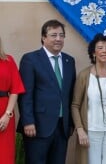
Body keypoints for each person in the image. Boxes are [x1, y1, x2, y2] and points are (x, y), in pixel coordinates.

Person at [18, 19, 76, 164]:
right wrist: (28, 121)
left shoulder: (69, 61)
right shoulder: (30, 59)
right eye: (53, 35)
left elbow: (69, 94)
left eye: (61, 35)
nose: (58, 39)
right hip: (37, 127)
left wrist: (71, 124)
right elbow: (26, 94)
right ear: (43, 37)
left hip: (62, 128)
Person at [71, 33, 106, 164]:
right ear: (93, 52)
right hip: (91, 130)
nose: (104, 51)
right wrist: (80, 129)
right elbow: (75, 105)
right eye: (100, 47)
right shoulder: (84, 76)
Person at [0, 36, 25, 164]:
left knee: (4, 155)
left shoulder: (8, 60)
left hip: (4, 113)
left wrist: (7, 115)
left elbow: (15, 89)